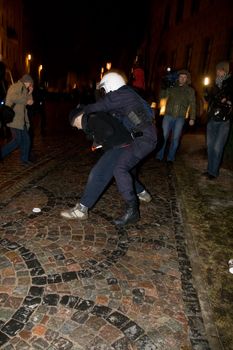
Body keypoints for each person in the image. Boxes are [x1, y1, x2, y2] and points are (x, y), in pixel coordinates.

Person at [61, 71, 157, 226]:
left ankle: (132, 211)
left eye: (105, 90)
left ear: (111, 85)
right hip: (139, 139)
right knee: (122, 169)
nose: (105, 93)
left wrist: (82, 112)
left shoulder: (123, 94)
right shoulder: (125, 98)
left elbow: (102, 105)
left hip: (143, 139)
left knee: (118, 169)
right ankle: (141, 194)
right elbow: (112, 116)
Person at [156, 69, 196, 162]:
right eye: (181, 76)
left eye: (184, 77)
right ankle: (159, 156)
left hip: (180, 118)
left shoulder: (190, 91)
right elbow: (162, 97)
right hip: (168, 115)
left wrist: (192, 118)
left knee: (175, 139)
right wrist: (164, 88)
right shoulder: (172, 87)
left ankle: (170, 157)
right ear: (178, 77)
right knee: (164, 137)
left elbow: (193, 104)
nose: (182, 78)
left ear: (187, 79)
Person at [202, 61, 233, 180]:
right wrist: (206, 94)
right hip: (212, 119)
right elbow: (210, 101)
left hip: (224, 120)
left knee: (217, 147)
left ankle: (214, 172)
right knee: (210, 147)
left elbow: (229, 99)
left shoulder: (230, 84)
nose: (219, 72)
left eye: (222, 70)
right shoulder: (213, 84)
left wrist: (226, 98)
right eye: (218, 70)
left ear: (226, 71)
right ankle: (210, 170)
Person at [0, 74, 34, 165]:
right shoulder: (15, 86)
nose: (30, 86)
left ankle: (24, 160)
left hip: (21, 120)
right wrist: (26, 100)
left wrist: (30, 93)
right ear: (27, 81)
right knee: (17, 141)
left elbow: (30, 102)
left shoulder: (25, 90)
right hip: (14, 119)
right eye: (30, 84)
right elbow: (13, 97)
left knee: (26, 140)